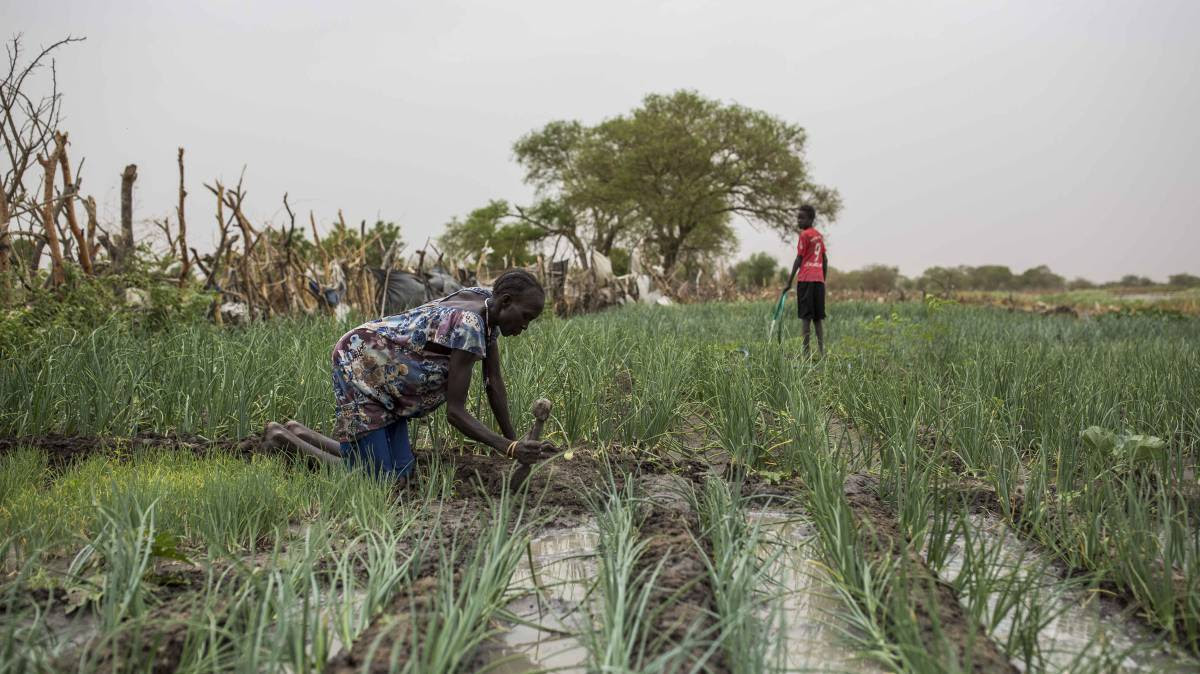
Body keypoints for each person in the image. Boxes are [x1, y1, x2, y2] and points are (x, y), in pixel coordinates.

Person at [264, 269, 557, 483]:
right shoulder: (470, 325)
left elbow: (493, 383)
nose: (526, 326)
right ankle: (281, 439)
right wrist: (508, 446)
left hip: (390, 382)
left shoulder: (485, 304)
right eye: (526, 316)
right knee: (378, 481)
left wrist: (516, 444)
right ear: (505, 302)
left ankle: (300, 433)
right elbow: (455, 413)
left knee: (402, 474)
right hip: (362, 364)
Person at [785, 206, 828, 356]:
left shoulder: (804, 235)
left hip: (806, 280)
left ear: (811, 219)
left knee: (805, 317)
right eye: (798, 217)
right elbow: (825, 260)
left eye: (802, 218)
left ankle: (805, 354)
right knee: (817, 318)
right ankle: (822, 353)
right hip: (818, 281)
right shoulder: (819, 236)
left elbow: (799, 259)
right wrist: (823, 279)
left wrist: (789, 282)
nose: (799, 220)